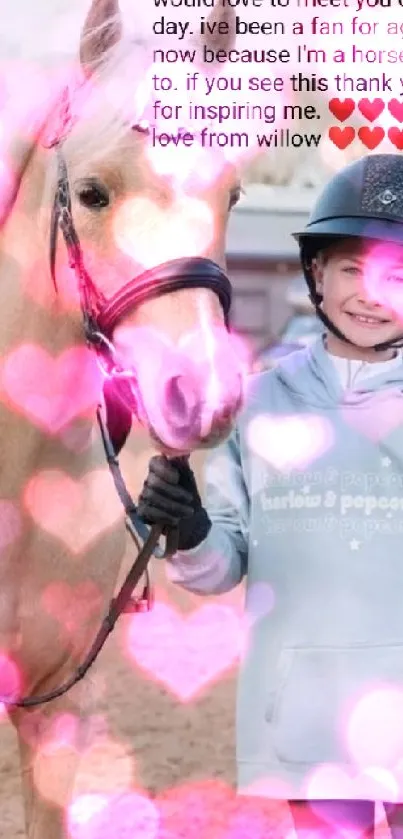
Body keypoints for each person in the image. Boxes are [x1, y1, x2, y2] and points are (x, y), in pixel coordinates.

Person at [137, 153, 403, 838]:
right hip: (307, 724)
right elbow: (224, 560)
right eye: (349, 268)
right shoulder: (259, 405)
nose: (370, 294)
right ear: (314, 273)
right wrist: (190, 529)